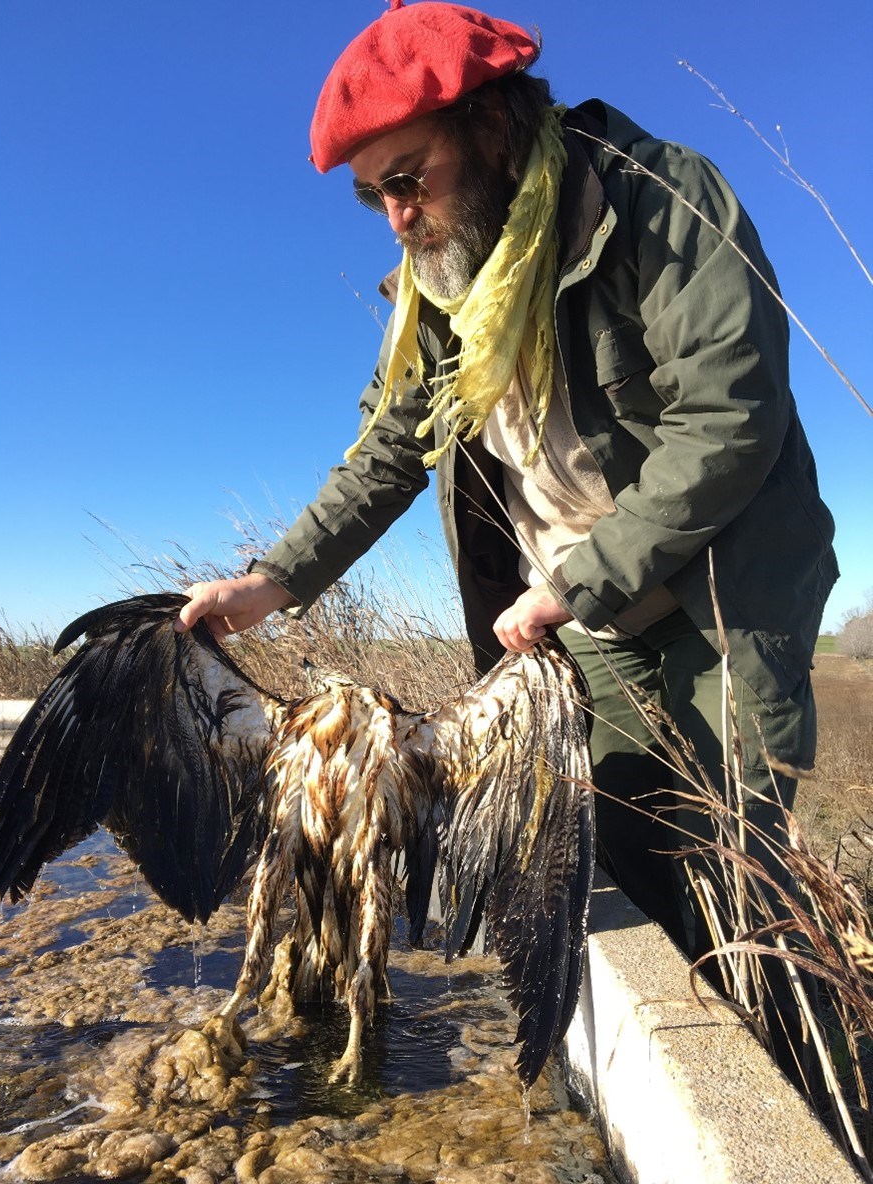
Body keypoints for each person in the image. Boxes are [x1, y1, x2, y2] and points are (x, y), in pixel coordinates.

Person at [176, 1, 837, 1088]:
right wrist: (273, 581)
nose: (395, 215)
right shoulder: (444, 284)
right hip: (586, 614)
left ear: (488, 126)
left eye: (406, 176)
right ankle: (685, 1073)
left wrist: (571, 580)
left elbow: (731, 419)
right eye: (372, 193)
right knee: (627, 852)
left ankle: (818, 1101)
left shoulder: (656, 199)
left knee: (741, 870)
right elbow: (392, 448)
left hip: (724, 591)